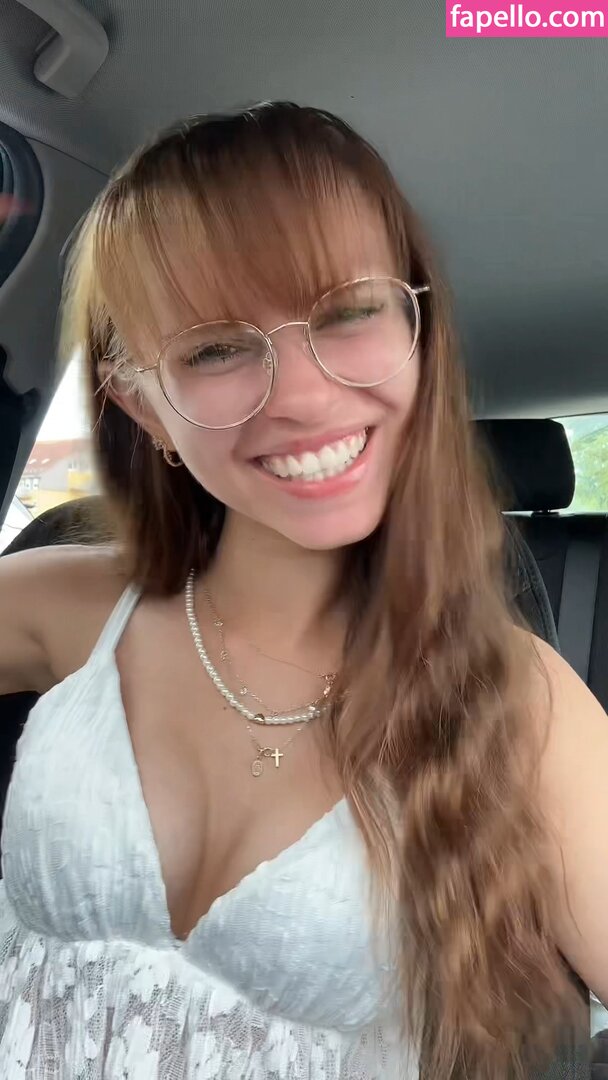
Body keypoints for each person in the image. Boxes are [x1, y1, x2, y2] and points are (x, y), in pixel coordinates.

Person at [0, 102, 606, 1080]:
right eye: (215, 348)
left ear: (417, 330)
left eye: (347, 312)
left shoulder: (519, 701)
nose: (301, 396)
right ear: (141, 406)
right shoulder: (55, 604)